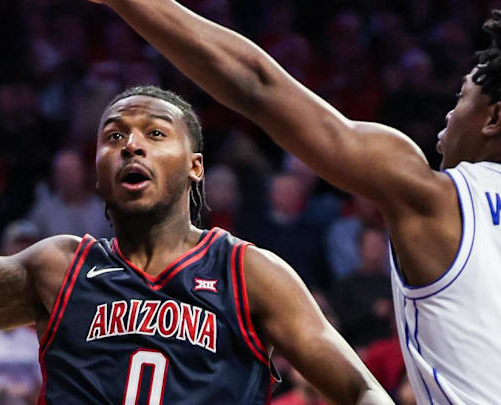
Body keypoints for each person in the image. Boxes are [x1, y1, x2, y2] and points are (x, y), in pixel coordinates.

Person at [0, 64, 390, 404]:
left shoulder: (248, 273)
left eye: (154, 133)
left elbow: (361, 389)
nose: (131, 145)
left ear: (195, 166)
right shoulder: (56, 268)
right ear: (97, 166)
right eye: (114, 135)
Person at [89, 0, 501, 403]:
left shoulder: (436, 200)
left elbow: (258, 86)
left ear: (493, 119)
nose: (448, 116)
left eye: (460, 99)